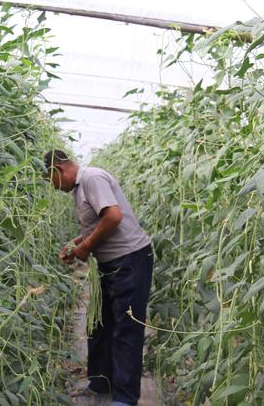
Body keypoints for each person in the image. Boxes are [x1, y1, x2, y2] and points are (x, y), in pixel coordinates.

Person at [43, 149, 153, 406]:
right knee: (99, 325)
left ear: (57, 170)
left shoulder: (92, 178)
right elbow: (98, 223)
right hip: (112, 263)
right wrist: (77, 243)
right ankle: (100, 382)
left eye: (51, 180)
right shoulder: (79, 188)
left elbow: (114, 217)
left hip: (130, 260)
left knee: (126, 327)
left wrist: (87, 246)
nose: (53, 187)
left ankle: (125, 398)